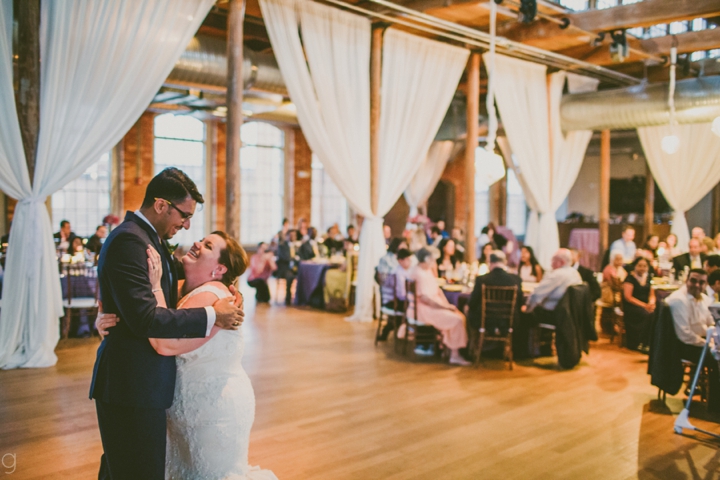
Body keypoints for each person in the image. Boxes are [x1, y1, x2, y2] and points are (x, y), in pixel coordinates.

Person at [89, 168, 244, 480]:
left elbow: (150, 294)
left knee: (124, 468)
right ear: (161, 205)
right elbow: (147, 317)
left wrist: (230, 287)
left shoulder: (150, 239)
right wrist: (214, 314)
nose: (187, 225)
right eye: (184, 215)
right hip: (130, 384)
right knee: (135, 471)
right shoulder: (130, 241)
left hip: (143, 385)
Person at [140, 233, 275, 479]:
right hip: (189, 406)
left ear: (219, 268)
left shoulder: (213, 296)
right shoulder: (185, 288)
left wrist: (155, 286)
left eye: (207, 245)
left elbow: (164, 343)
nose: (197, 244)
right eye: (202, 239)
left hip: (214, 409)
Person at [667, 269, 720, 413]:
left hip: (699, 341)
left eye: (701, 282)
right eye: (693, 280)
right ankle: (715, 406)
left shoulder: (705, 299)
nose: (697, 285)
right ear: (686, 280)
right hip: (682, 346)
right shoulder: (678, 300)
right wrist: (710, 344)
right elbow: (684, 335)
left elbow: (712, 322)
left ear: (705, 284)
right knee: (717, 358)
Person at [410, 248, 470, 365]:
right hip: (425, 309)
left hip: (433, 305)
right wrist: (444, 307)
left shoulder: (426, 270)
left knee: (458, 315)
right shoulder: (418, 273)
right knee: (456, 319)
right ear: (426, 260)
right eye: (432, 260)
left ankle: (448, 347)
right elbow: (425, 299)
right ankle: (454, 354)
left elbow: (437, 290)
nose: (434, 262)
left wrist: (446, 305)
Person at [467, 250, 522, 335]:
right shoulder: (515, 280)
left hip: (485, 320)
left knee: (467, 309)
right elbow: (520, 302)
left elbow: (472, 303)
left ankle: (474, 343)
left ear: (490, 262)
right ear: (504, 262)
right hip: (508, 322)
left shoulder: (482, 280)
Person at [524, 249, 582, 314]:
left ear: (562, 262)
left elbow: (536, 295)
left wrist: (526, 309)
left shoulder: (556, 274)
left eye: (553, 260)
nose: (551, 263)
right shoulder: (576, 274)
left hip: (551, 314)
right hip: (569, 315)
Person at [377, 249, 414, 341]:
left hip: (396, 301)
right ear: (400, 261)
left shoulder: (403, 271)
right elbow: (401, 295)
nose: (410, 262)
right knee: (416, 308)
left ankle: (391, 330)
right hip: (394, 302)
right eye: (408, 260)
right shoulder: (398, 273)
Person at [622, 257, 656, 352]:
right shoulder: (630, 278)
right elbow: (628, 297)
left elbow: (652, 294)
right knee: (646, 314)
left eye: (645, 266)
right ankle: (638, 342)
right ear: (635, 266)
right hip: (632, 306)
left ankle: (648, 343)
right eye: (640, 266)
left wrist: (651, 303)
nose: (642, 268)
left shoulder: (648, 278)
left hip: (645, 305)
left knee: (654, 313)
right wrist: (644, 306)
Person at [276, 230, 299, 305]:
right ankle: (288, 298)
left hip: (295, 268)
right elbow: (285, 257)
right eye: (291, 235)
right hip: (284, 268)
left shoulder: (297, 246)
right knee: (290, 276)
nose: (293, 237)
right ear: (287, 236)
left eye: (294, 235)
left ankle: (300, 298)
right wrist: (295, 258)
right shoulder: (282, 246)